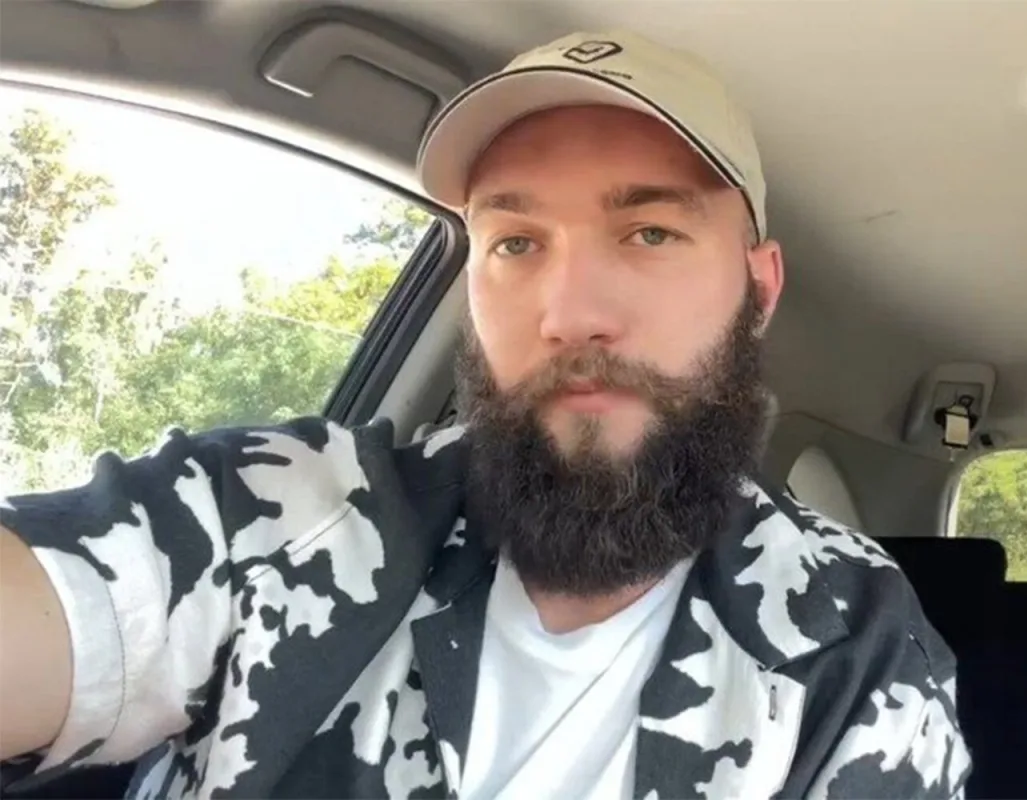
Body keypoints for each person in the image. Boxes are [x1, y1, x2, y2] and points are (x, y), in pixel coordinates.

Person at [0, 29, 971, 799]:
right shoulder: (283, 511)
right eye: (514, 243)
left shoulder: (852, 643)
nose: (569, 313)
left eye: (649, 231)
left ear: (758, 289)